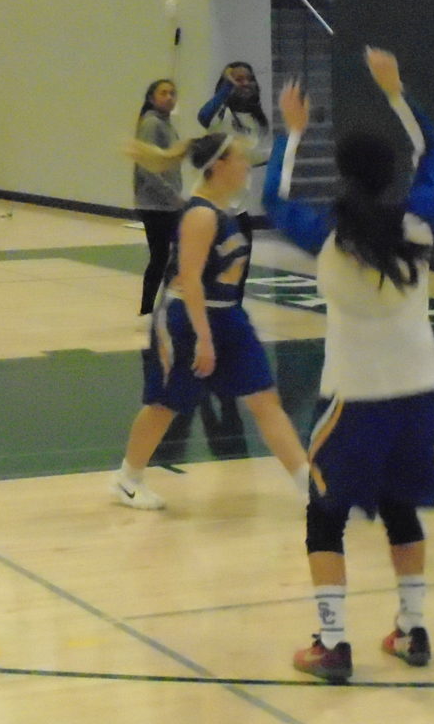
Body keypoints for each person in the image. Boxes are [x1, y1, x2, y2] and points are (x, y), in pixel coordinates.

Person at [264, 50, 434, 684]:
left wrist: (291, 133)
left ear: (341, 172)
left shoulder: (328, 238)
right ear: (391, 172)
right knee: (400, 506)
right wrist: (397, 93)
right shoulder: (418, 224)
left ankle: (332, 642)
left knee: (325, 514)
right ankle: (413, 629)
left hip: (355, 394)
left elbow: (274, 197)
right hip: (418, 387)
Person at [112, 127, 309, 511]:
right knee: (165, 405)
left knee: (265, 399)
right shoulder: (201, 215)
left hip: (228, 316)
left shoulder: (225, 210)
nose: (246, 166)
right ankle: (127, 480)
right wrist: (204, 338)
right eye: (240, 158)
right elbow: (189, 279)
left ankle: (310, 488)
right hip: (187, 321)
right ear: (219, 165)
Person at [130, 79, 186, 315]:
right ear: (152, 98)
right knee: (161, 257)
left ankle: (166, 306)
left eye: (172, 93)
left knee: (169, 257)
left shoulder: (166, 124)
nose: (169, 97)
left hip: (167, 204)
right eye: (164, 93)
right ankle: (148, 309)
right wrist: (172, 196)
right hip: (156, 205)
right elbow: (148, 168)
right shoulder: (152, 123)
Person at [197, 62, 273, 214]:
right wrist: (227, 86)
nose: (245, 83)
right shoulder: (220, 113)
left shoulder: (254, 118)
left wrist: (278, 152)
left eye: (249, 79)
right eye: (238, 79)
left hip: (241, 202)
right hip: (217, 202)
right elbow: (203, 115)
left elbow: (249, 156)